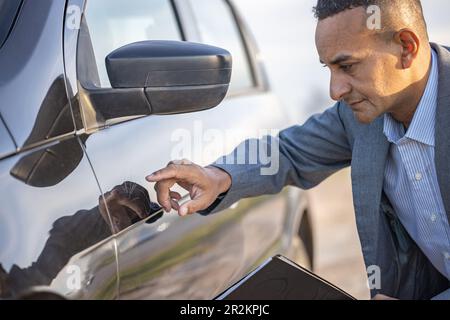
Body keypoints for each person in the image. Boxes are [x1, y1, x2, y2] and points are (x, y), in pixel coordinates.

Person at [146, 0, 450, 300]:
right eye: (330, 68)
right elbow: (289, 152)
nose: (335, 90)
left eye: (347, 66)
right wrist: (217, 176)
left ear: (406, 47)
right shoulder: (360, 118)